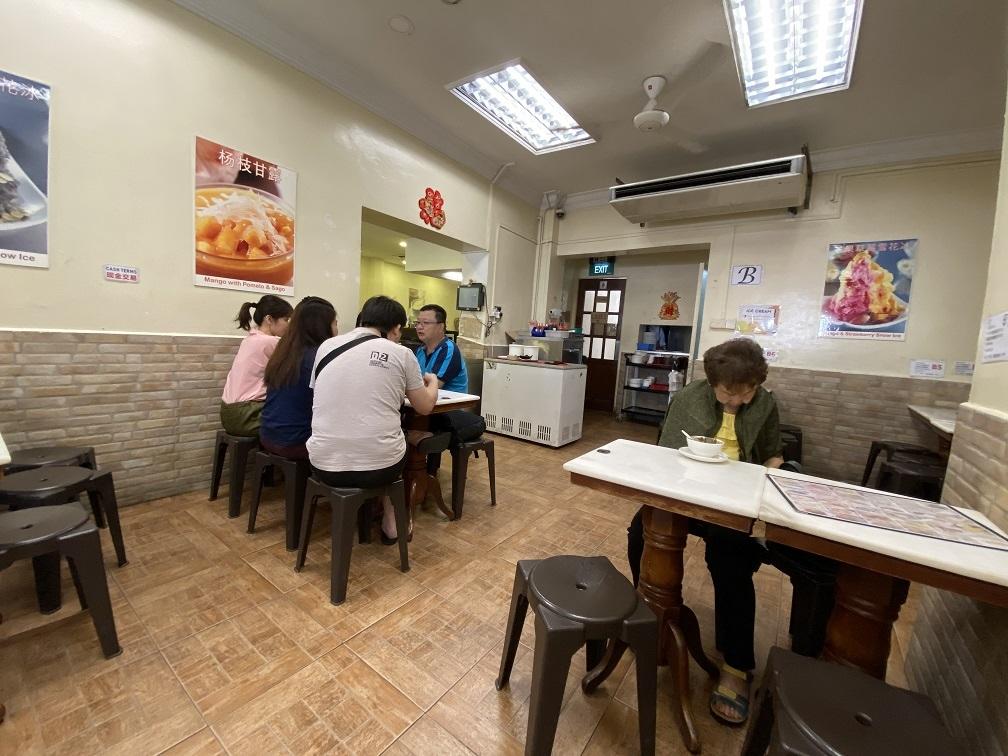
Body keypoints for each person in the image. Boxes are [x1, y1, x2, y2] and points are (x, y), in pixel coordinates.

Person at [627, 338, 784, 726]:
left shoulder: (764, 404)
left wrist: (768, 478)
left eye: (747, 392)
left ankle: (736, 665)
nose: (739, 400)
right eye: (729, 392)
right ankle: (652, 614)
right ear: (713, 383)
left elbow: (773, 454)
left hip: (734, 502)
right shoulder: (689, 399)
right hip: (684, 490)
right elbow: (665, 453)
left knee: (731, 561)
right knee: (639, 535)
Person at [308, 295, 438, 543]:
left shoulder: (326, 347)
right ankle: (392, 524)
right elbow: (424, 407)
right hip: (379, 469)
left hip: (323, 464)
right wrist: (431, 383)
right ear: (396, 328)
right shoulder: (402, 353)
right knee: (394, 446)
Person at [259, 297, 338, 459]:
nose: (338, 329)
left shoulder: (284, 351)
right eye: (335, 323)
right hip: (297, 442)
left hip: (268, 435)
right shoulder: (319, 357)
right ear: (322, 327)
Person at [220, 295, 293, 436]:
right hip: (248, 415)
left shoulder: (249, 339)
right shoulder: (271, 342)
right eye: (286, 319)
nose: (289, 325)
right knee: (298, 419)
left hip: (227, 413)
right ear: (269, 319)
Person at [413, 304, 467, 392]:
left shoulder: (448, 349)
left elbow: (433, 385)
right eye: (418, 322)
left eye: (426, 323)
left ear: (441, 326)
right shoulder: (420, 350)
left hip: (450, 400)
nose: (419, 327)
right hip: (427, 399)